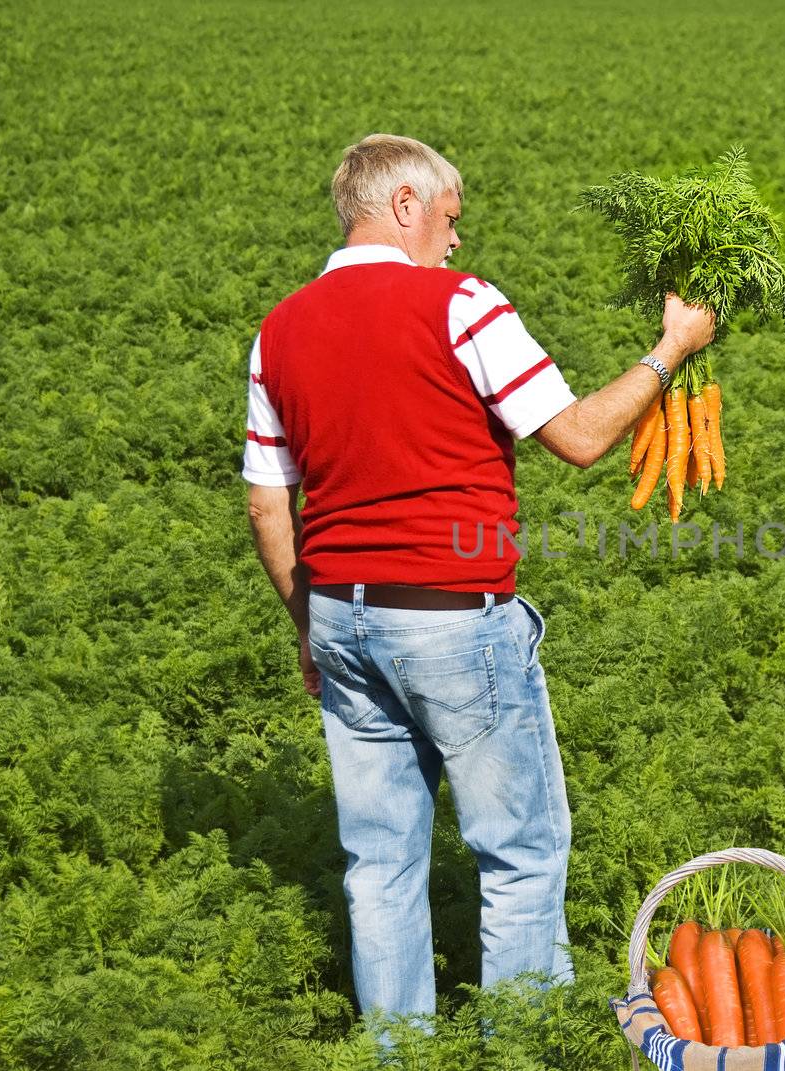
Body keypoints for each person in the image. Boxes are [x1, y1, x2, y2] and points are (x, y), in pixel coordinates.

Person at [242, 133, 714, 1032]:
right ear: (407, 205)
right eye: (451, 219)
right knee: (522, 850)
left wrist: (310, 624)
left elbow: (271, 510)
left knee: (378, 862)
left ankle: (400, 1053)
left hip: (343, 615)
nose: (457, 241)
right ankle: (523, 1049)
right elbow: (577, 438)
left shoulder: (280, 328)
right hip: (452, 615)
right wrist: (671, 350)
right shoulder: (461, 305)